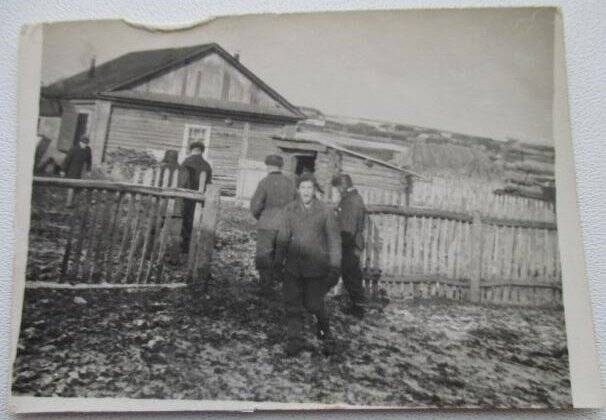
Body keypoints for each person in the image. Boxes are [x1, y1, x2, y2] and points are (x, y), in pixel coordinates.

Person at [275, 172, 341, 357]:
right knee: (292, 304)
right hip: (293, 267)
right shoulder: (289, 210)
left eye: (309, 188)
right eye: (303, 187)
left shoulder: (325, 211)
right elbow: (282, 237)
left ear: (315, 190)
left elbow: (334, 241)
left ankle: (325, 335)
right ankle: (294, 340)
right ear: (298, 189)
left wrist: (335, 267)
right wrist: (278, 262)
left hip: (316, 268)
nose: (306, 191)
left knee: (314, 305)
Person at [249, 154, 296, 294]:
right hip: (285, 226)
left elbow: (256, 205)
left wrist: (261, 217)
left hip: (267, 224)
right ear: (281, 166)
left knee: (264, 254)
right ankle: (279, 285)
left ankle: (265, 286)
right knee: (280, 255)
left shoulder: (265, 182)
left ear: (268, 166)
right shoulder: (290, 183)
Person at [332, 174, 368, 319]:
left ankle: (359, 309)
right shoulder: (352, 198)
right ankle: (357, 306)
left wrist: (340, 242)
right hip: (350, 242)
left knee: (351, 276)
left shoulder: (351, 201)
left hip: (350, 243)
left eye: (336, 189)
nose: (336, 192)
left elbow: (350, 227)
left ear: (342, 186)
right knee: (350, 275)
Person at [179, 142, 213, 253]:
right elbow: (209, 182)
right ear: (201, 151)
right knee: (195, 220)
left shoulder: (186, 162)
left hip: (186, 196)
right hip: (200, 197)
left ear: (193, 149)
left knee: (185, 220)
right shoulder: (207, 165)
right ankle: (192, 245)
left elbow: (182, 181)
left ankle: (185, 246)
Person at [61, 136, 92, 207]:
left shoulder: (88, 150)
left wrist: (88, 170)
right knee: (72, 186)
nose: (85, 145)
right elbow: (67, 160)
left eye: (86, 143)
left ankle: (74, 202)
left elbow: (89, 161)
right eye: (83, 143)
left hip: (82, 170)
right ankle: (68, 203)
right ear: (80, 142)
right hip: (73, 169)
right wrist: (63, 170)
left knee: (79, 187)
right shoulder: (74, 149)